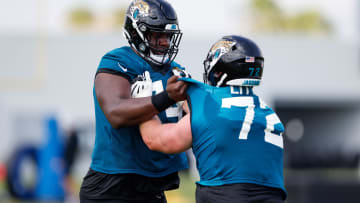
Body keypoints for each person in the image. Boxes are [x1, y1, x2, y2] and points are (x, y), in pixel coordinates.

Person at [133, 35, 287, 203]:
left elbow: (156, 139)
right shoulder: (268, 113)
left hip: (226, 194)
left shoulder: (206, 100)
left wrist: (143, 101)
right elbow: (220, 119)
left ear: (219, 71)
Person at [79, 0, 189, 202]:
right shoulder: (118, 61)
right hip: (112, 186)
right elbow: (115, 112)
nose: (164, 42)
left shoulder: (177, 71)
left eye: (167, 36)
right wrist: (167, 97)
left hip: (152, 186)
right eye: (157, 35)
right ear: (136, 32)